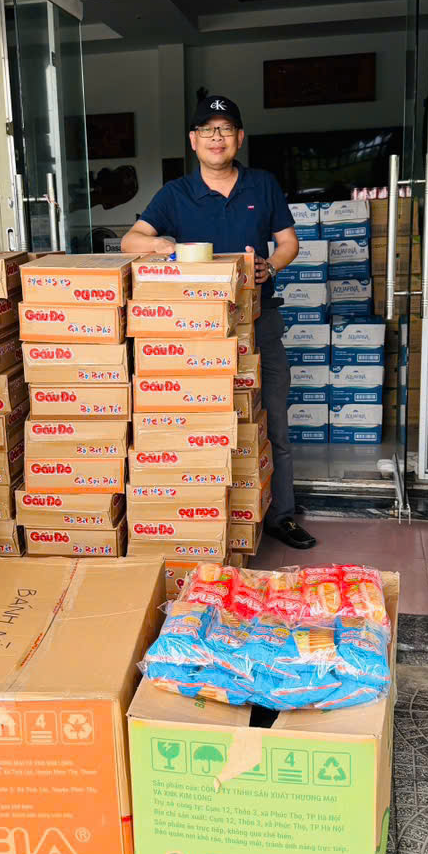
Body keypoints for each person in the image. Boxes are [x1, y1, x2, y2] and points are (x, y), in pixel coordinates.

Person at [120, 94, 317, 551]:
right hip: (197, 333)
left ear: (239, 138)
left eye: (225, 129)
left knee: (274, 421)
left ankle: (280, 515)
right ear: (193, 140)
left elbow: (288, 242)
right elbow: (131, 239)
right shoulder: (175, 194)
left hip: (260, 323)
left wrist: (272, 265)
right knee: (201, 424)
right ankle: (208, 517)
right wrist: (160, 244)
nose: (216, 137)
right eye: (207, 130)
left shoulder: (262, 185)